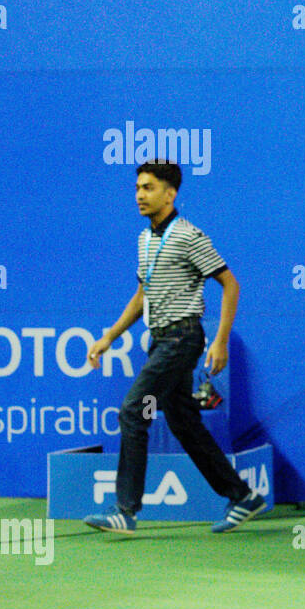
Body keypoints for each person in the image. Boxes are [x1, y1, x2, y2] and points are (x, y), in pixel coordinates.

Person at [83, 159, 266, 535]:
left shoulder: (187, 236)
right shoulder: (144, 238)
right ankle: (243, 496)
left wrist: (221, 341)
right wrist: (109, 336)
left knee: (134, 411)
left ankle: (125, 510)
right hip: (161, 342)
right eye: (137, 188)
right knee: (184, 423)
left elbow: (230, 285)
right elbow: (142, 295)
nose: (139, 195)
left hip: (183, 339)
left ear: (171, 193)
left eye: (148, 188)